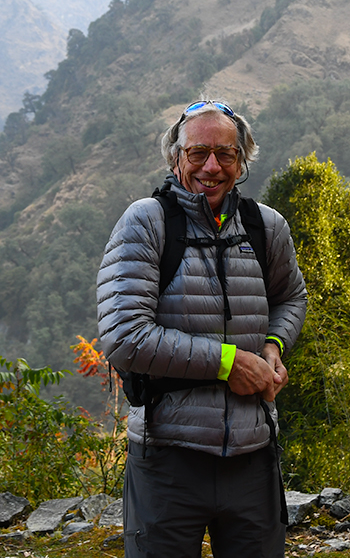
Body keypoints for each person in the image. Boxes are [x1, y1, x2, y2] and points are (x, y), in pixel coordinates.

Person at [96, 99, 307, 557]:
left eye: (225, 154)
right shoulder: (146, 223)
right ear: (176, 158)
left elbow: (290, 297)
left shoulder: (265, 227)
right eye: (197, 153)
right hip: (170, 458)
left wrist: (273, 345)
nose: (211, 167)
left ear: (241, 160)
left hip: (254, 456)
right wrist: (229, 363)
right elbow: (123, 336)